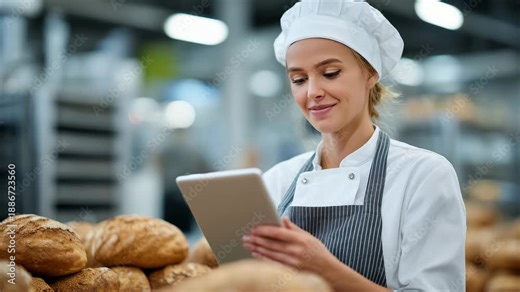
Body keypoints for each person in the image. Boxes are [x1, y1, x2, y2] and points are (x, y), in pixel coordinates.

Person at [241, 0, 466, 291]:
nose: (313, 92)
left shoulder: (422, 176)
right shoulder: (277, 181)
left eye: (330, 73)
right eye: (298, 79)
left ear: (371, 73)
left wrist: (325, 269)